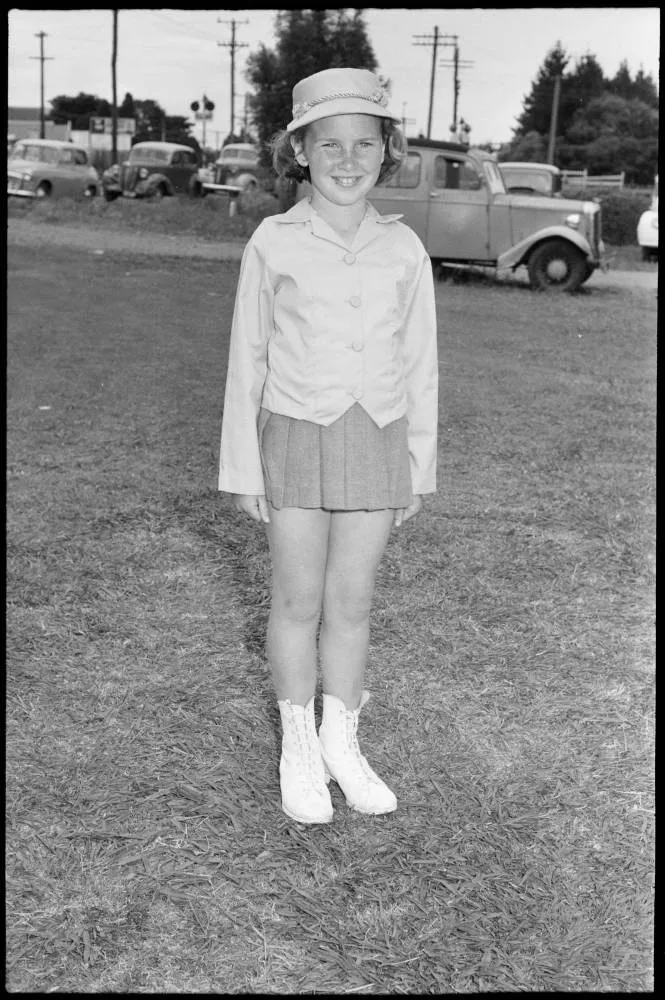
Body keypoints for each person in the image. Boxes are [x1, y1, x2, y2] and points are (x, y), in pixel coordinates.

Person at [219, 67, 438, 825]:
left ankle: (341, 739)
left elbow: (420, 363)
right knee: (296, 598)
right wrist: (243, 465)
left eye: (364, 144)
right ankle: (299, 746)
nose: (348, 160)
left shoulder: (404, 249)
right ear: (300, 153)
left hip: (376, 438)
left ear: (387, 153)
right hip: (294, 434)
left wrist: (417, 465)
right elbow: (247, 357)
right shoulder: (273, 241)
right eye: (329, 144)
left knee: (350, 604)